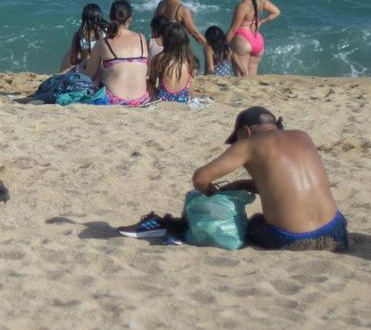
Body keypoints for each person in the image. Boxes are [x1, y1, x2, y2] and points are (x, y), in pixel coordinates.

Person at [119, 107, 350, 252]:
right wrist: (243, 185)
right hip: (336, 230)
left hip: (292, 239)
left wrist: (210, 192)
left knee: (256, 222)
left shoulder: (249, 144)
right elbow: (286, 185)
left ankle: (170, 228)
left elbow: (200, 177)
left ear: (247, 132)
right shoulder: (302, 136)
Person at [82, 0, 150, 106]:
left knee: (98, 72)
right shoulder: (142, 38)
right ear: (130, 19)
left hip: (115, 100)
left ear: (110, 17)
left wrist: (79, 68)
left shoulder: (103, 43)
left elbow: (89, 76)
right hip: (141, 100)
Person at [155, 0, 214, 73]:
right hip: (176, 45)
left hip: (162, 43)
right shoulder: (182, 9)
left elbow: (154, 25)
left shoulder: (161, 5)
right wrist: (208, 44)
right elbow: (193, 32)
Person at [227, 0, 280, 76]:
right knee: (252, 78)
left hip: (243, 40)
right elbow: (276, 12)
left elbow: (233, 29)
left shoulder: (242, 6)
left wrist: (224, 43)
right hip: (257, 39)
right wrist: (261, 21)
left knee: (241, 77)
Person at [148, 22, 196, 103]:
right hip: (183, 99)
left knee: (146, 82)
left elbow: (152, 82)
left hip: (163, 99)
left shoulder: (159, 58)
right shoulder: (188, 59)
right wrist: (194, 99)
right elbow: (190, 85)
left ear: (165, 40)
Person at [58, 3, 108, 72]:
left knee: (69, 52)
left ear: (84, 18)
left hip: (86, 70)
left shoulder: (79, 35)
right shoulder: (106, 32)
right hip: (103, 70)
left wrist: (81, 57)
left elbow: (73, 61)